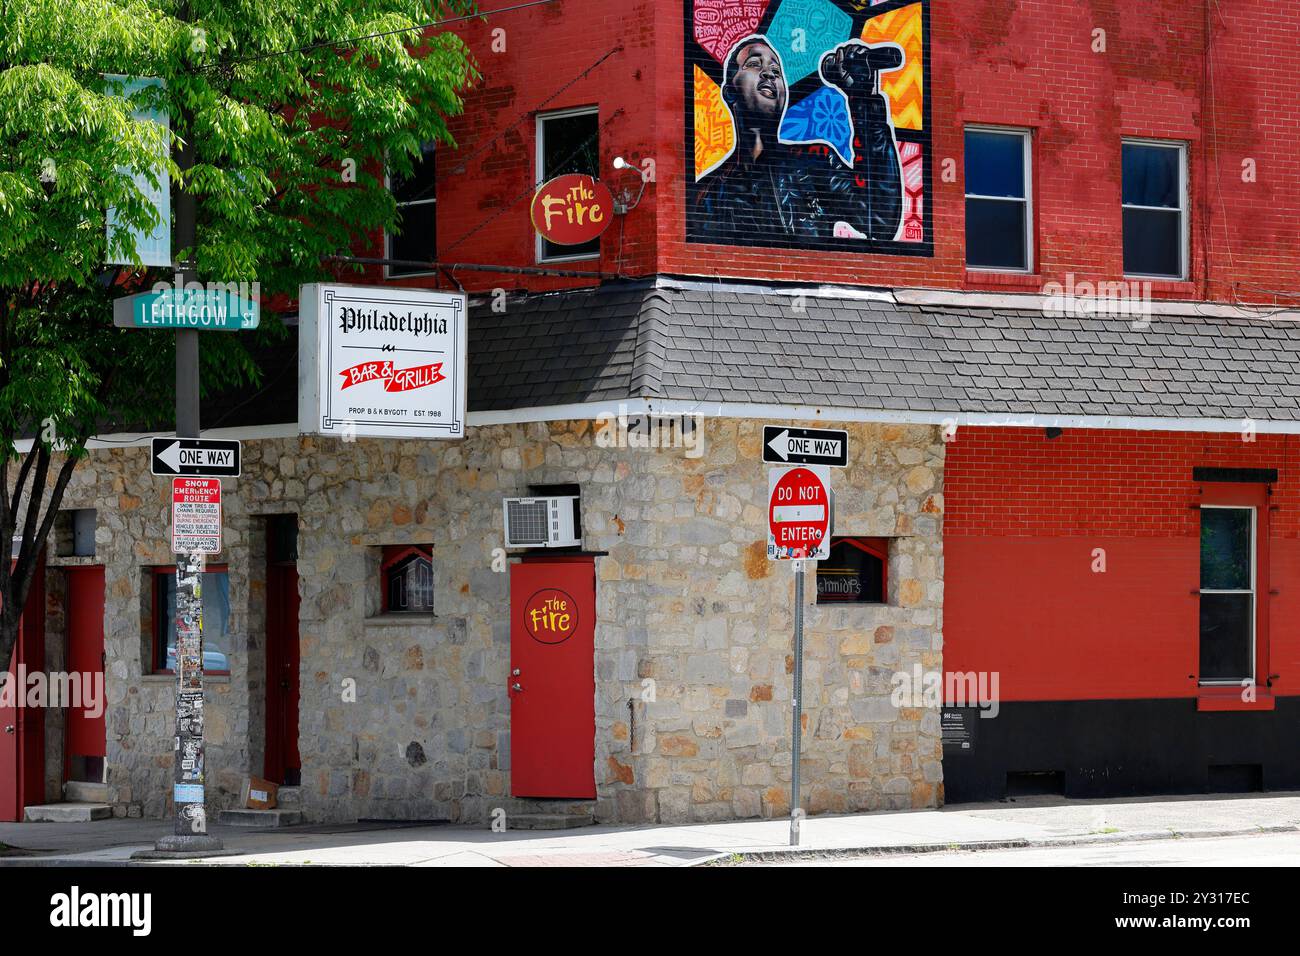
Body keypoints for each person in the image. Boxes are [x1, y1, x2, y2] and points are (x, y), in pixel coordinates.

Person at [694, 35, 903, 244]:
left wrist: (864, 100)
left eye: (776, 71)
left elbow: (879, 220)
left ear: (784, 95)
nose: (768, 74)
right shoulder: (709, 193)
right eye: (754, 64)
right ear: (730, 92)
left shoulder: (814, 163)